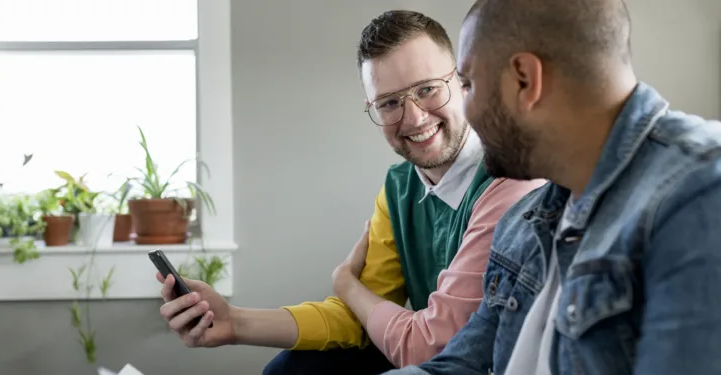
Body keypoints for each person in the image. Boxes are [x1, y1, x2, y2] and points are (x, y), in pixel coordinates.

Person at [155, 10, 543, 375]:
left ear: (461, 81)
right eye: (389, 102)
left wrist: (345, 282)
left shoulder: (507, 178)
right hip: (427, 356)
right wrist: (234, 322)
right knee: (291, 369)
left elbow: (429, 347)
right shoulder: (399, 187)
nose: (414, 118)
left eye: (427, 89)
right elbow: (359, 316)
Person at [383, 0, 721, 375]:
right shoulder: (523, 224)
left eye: (469, 84)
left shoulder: (700, 193)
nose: (467, 110)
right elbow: (458, 366)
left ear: (524, 79)